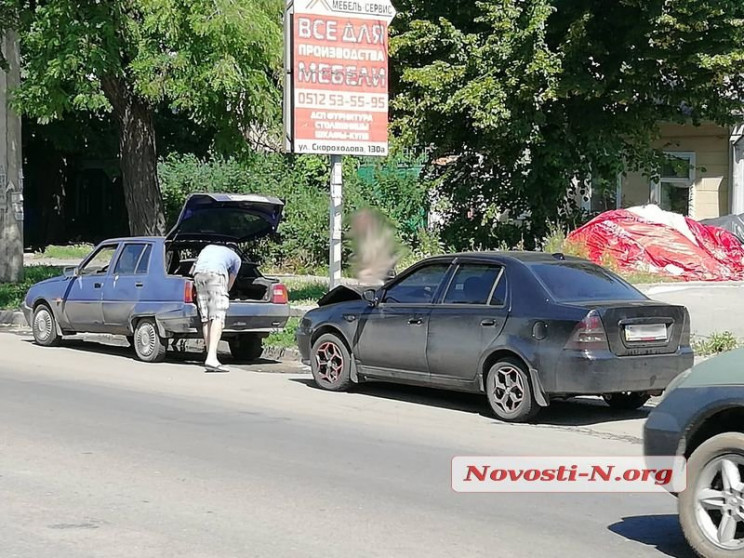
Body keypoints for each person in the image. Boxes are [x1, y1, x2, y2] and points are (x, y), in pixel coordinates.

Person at [192, 243, 242, 372]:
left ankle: (210, 356)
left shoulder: (207, 248)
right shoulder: (236, 258)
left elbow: (193, 268)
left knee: (206, 317)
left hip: (198, 276)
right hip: (216, 275)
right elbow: (229, 285)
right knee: (217, 316)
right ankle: (212, 359)